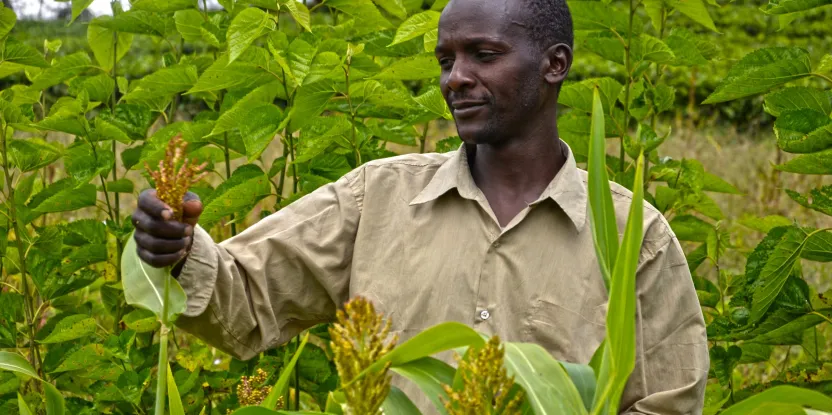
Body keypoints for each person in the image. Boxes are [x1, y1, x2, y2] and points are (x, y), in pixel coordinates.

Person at [131, 0, 709, 412]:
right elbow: (246, 300)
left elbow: (667, 402)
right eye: (445, 60)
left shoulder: (633, 234)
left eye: (483, 54)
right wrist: (180, 251)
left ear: (554, 64)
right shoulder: (375, 199)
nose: (456, 78)